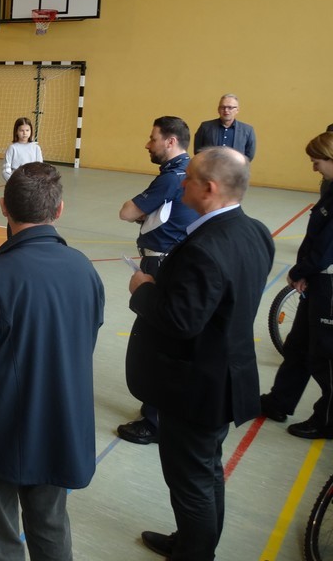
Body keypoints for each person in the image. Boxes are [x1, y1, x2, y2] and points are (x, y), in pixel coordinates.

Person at [0, 162, 105, 561]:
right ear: (58, 210)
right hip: (59, 425)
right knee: (51, 526)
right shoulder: (85, 270)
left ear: (4, 208)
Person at [126, 147, 274, 561]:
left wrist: (144, 290)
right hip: (226, 374)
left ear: (208, 188)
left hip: (195, 387)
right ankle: (194, 542)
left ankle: (195, 553)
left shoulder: (204, 247)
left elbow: (180, 321)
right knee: (207, 471)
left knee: (190, 481)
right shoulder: (255, 231)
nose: (181, 183)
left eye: (188, 178)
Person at [115, 117, 200, 446]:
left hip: (161, 263)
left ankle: (154, 420)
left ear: (170, 141)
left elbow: (126, 212)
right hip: (173, 259)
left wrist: (140, 211)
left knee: (155, 341)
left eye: (153, 139)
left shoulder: (170, 179)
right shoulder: (188, 170)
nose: (147, 144)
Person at [259, 132, 333, 438]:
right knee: (298, 346)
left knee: (325, 356)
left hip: (329, 284)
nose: (314, 167)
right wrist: (305, 272)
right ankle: (279, 401)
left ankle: (327, 420)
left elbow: (326, 248)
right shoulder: (330, 189)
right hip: (317, 278)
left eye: (316, 161)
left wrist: (300, 270)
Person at [193, 94, 257, 160]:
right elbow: (198, 151)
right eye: (222, 107)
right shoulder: (205, 127)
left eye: (230, 107)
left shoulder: (247, 130)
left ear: (237, 110)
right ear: (218, 109)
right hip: (209, 166)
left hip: (235, 166)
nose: (226, 110)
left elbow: (249, 156)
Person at [2, 117, 44, 182]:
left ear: (31, 131)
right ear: (16, 131)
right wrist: (13, 181)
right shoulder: (12, 148)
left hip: (32, 182)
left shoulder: (36, 148)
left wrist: (35, 181)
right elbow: (6, 169)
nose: (25, 133)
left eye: (27, 130)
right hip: (16, 181)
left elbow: (40, 167)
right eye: (21, 130)